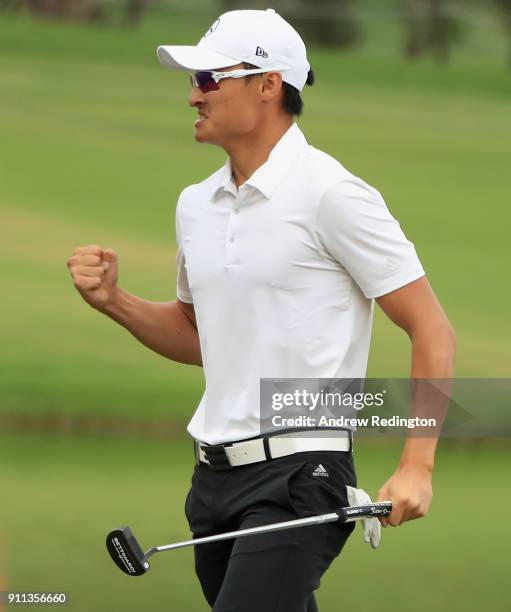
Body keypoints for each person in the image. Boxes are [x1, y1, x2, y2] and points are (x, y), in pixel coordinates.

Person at [67, 9, 456, 611]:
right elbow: (202, 335)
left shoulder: (332, 194)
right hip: (212, 482)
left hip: (303, 477)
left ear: (268, 84)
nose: (192, 95)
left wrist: (417, 465)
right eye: (192, 81)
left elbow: (431, 328)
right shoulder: (196, 205)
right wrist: (115, 302)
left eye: (207, 79)